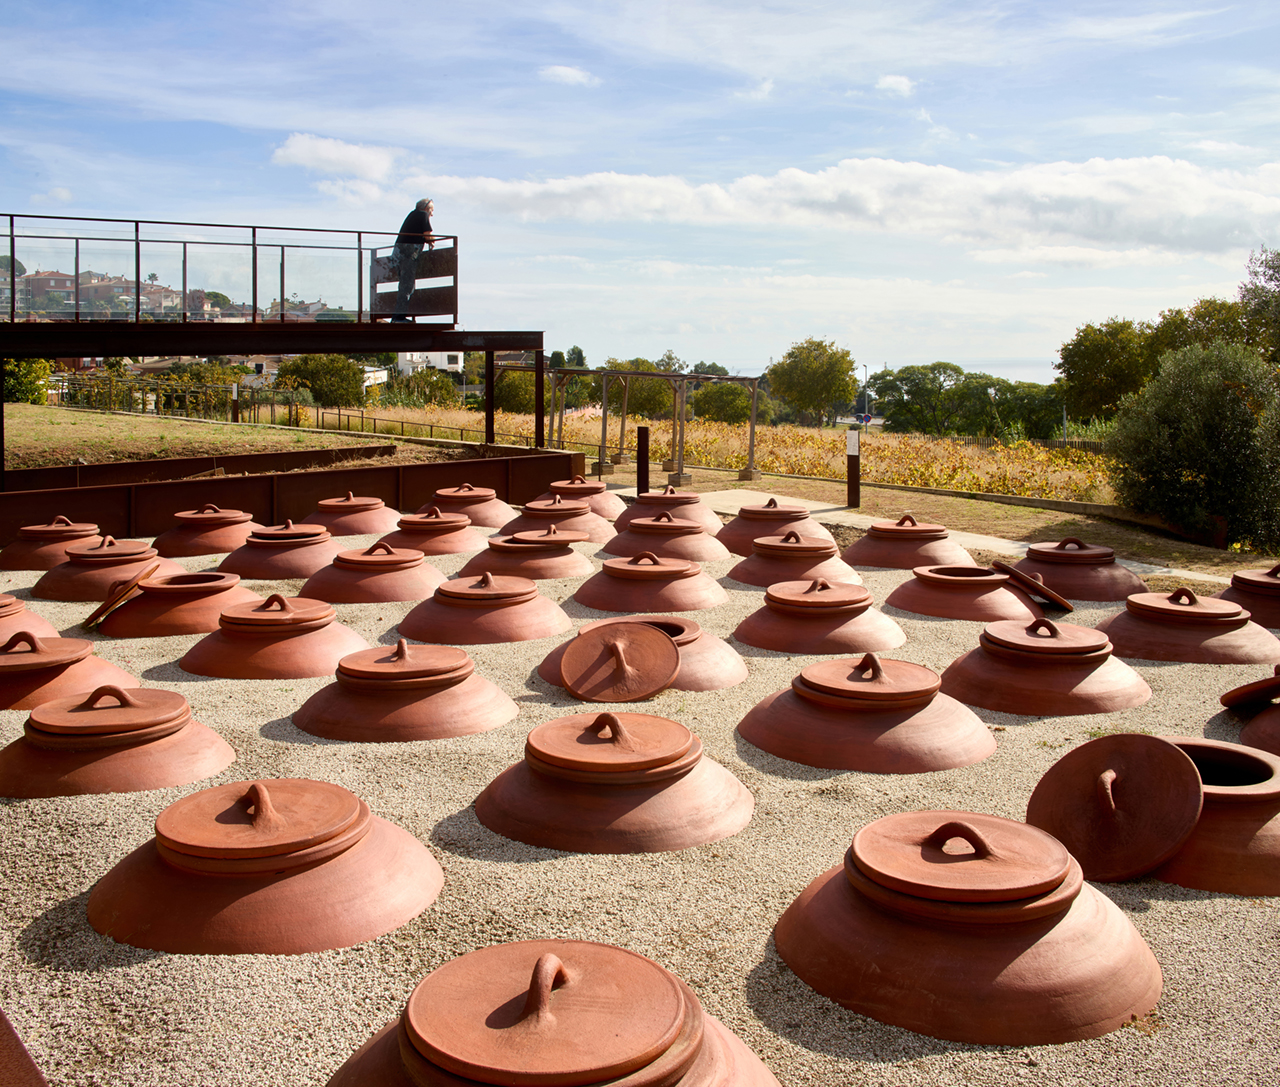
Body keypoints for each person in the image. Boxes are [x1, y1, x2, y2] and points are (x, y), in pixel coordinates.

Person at [391, 198, 434, 322]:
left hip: (398, 255)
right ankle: (398, 317)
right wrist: (432, 241)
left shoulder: (412, 215)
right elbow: (428, 235)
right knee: (407, 286)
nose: (432, 214)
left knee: (404, 285)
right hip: (408, 255)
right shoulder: (423, 215)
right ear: (426, 208)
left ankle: (397, 317)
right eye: (431, 210)